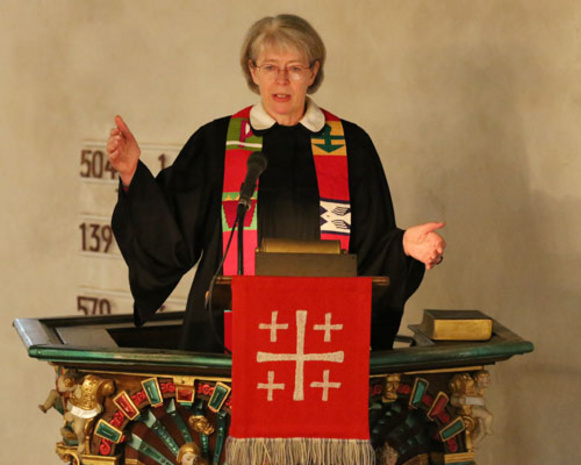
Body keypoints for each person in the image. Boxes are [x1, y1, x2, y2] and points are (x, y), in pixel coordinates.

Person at [107, 14, 446, 353]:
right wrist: (132, 174)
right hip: (225, 336)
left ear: (313, 72)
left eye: (295, 68)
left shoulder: (351, 146)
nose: (282, 80)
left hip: (324, 336)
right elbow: (170, 236)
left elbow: (370, 249)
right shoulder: (217, 142)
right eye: (270, 67)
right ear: (253, 71)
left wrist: (403, 246)